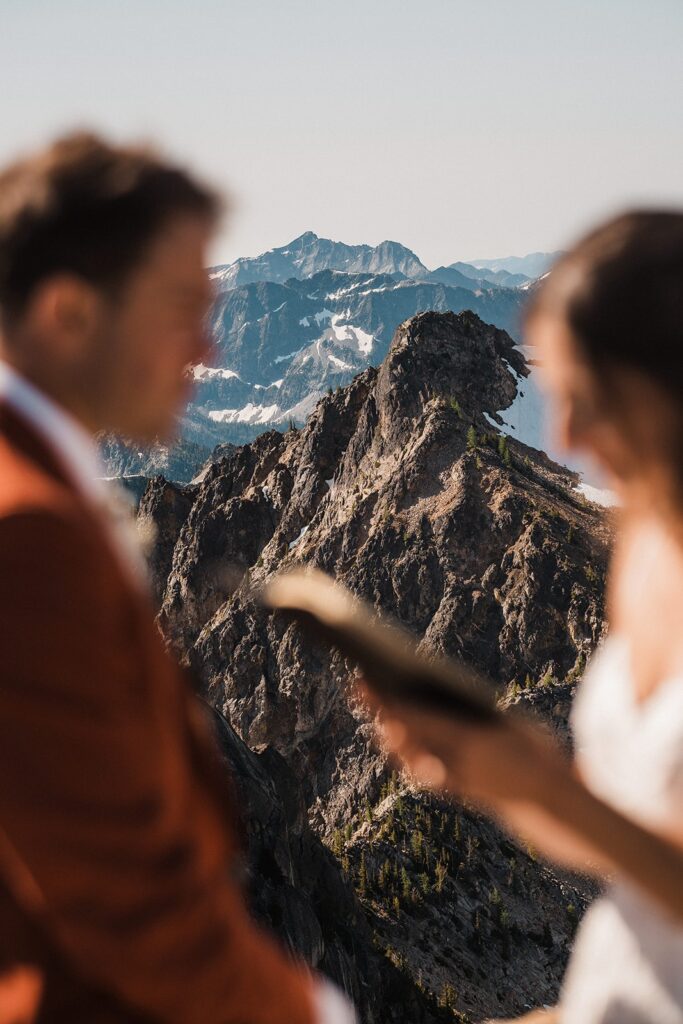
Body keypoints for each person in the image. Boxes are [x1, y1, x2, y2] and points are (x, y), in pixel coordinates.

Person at [0, 132, 355, 1024]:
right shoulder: (29, 533)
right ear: (68, 314)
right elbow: (123, 901)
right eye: (180, 310)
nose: (209, 347)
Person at [366, 211, 683, 1024]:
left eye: (589, 398)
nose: (566, 433)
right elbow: (628, 849)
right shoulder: (644, 546)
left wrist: (542, 785)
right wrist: (492, 779)